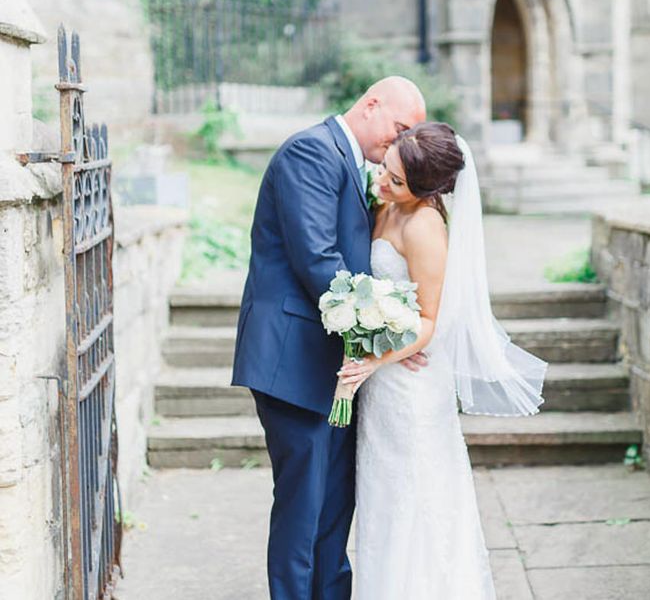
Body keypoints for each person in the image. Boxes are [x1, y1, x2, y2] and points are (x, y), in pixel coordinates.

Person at [231, 77, 426, 599]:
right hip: (292, 361)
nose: (401, 142)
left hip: (334, 366)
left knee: (335, 503)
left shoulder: (351, 162)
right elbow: (319, 261)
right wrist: (388, 333)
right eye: (400, 129)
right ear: (371, 104)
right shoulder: (310, 153)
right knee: (303, 505)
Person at [338, 122, 548, 599]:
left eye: (396, 182)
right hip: (385, 384)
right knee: (383, 501)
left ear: (429, 189)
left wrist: (375, 359)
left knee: (417, 501)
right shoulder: (387, 199)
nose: (383, 183)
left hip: (410, 388)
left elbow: (430, 320)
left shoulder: (426, 226)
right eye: (386, 169)